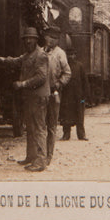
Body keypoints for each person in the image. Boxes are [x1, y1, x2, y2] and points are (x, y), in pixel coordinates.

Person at [0, 27, 50, 172]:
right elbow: (16, 61)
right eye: (26, 39)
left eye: (31, 38)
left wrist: (23, 84)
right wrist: (1, 59)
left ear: (36, 40)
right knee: (30, 128)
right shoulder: (28, 55)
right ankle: (31, 157)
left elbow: (41, 77)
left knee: (39, 129)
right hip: (31, 97)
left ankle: (41, 161)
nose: (28, 41)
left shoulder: (41, 55)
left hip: (38, 97)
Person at [42, 26, 71, 164]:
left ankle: (49, 155)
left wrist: (59, 84)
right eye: (49, 37)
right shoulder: (41, 52)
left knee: (51, 125)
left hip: (53, 92)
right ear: (45, 37)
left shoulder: (60, 54)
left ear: (58, 40)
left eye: (54, 38)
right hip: (40, 92)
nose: (51, 40)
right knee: (39, 125)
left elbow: (67, 73)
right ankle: (38, 154)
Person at [60, 46, 90, 141]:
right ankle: (66, 134)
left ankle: (81, 135)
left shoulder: (79, 66)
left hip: (79, 95)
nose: (71, 57)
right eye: (69, 55)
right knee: (66, 115)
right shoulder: (64, 66)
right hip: (67, 95)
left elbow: (85, 81)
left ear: (75, 55)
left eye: (72, 54)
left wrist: (85, 95)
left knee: (80, 115)